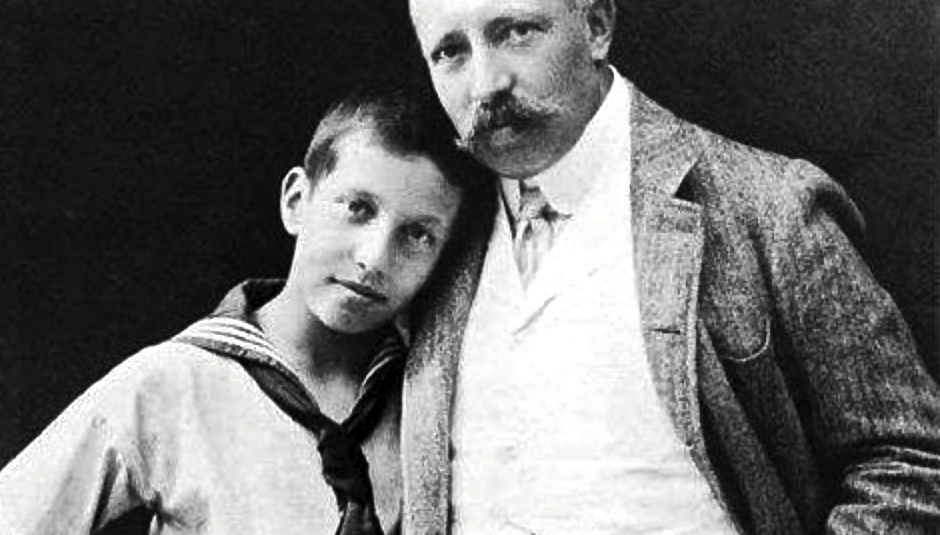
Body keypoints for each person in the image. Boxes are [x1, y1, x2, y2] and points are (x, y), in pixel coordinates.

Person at [403, 0, 940, 533]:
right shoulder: (423, 233)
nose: (485, 84)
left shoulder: (771, 208)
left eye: (517, 32)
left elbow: (908, 464)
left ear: (596, 26)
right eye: (450, 51)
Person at [0, 88, 489, 534]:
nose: (375, 257)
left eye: (417, 234)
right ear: (296, 201)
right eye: (358, 208)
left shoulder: (428, 399)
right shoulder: (171, 383)